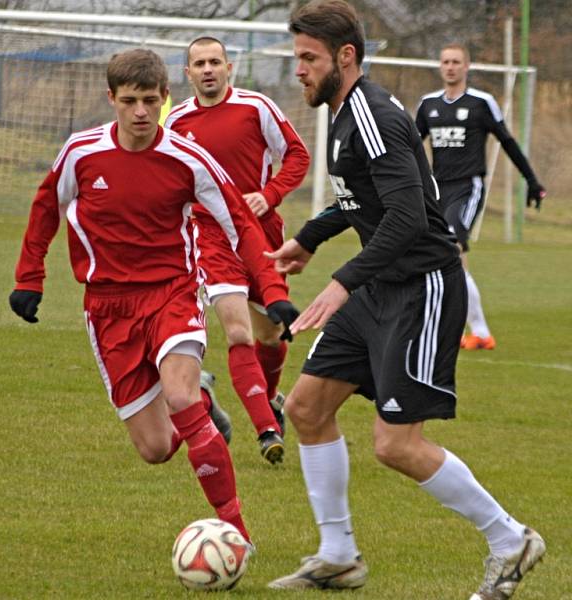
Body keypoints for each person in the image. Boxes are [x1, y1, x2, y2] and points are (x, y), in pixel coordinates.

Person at [265, 2, 545, 597]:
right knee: (308, 408)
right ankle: (338, 555)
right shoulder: (343, 115)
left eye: (308, 59)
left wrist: (341, 282)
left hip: (421, 286)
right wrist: (310, 239)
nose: (300, 71)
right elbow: (357, 199)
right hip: (379, 285)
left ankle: (509, 538)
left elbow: (409, 217)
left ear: (346, 57)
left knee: (396, 443)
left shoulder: (373, 114)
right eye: (297, 59)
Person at [8, 48, 299, 546]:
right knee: (155, 447)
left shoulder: (188, 160)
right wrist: (29, 278)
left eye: (149, 100)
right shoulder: (81, 153)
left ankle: (235, 532)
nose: (140, 112)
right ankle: (206, 401)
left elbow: (242, 225)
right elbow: (44, 209)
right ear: (112, 100)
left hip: (172, 294)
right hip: (107, 308)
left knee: (179, 394)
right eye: (129, 101)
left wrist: (271, 291)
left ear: (165, 98)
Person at [165, 36, 310, 464]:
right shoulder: (175, 123)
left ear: (229, 67)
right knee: (237, 332)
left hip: (262, 235)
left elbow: (297, 156)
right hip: (211, 238)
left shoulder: (257, 107)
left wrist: (270, 194)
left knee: (271, 337)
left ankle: (269, 403)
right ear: (187, 73)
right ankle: (267, 430)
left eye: (215, 62)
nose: (208, 69)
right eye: (199, 64)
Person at [415, 44, 547, 351]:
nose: (450, 67)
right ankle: (480, 333)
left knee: (449, 246)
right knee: (454, 260)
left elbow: (508, 142)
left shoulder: (481, 103)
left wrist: (531, 181)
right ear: (440, 66)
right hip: (438, 191)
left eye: (456, 62)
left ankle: (453, 327)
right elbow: (410, 146)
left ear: (467, 67)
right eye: (445, 61)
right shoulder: (428, 104)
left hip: (468, 187)